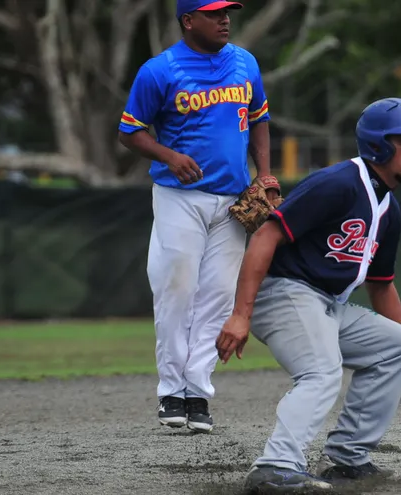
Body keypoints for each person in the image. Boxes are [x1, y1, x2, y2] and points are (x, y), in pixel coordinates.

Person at [215, 97, 401, 493]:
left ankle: (347, 459)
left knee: (394, 343)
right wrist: (241, 314)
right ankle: (275, 467)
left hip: (327, 304)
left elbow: (382, 284)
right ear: (378, 144)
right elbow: (266, 236)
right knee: (322, 370)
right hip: (284, 292)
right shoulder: (338, 183)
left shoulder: (388, 208)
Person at [117, 0, 278, 433]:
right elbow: (130, 130)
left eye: (228, 13)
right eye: (214, 13)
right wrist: (168, 156)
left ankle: (197, 394)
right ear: (188, 21)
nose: (225, 19)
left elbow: (260, 118)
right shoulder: (160, 70)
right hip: (179, 197)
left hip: (232, 200)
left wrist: (264, 175)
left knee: (218, 297)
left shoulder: (244, 62)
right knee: (177, 288)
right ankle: (171, 390)